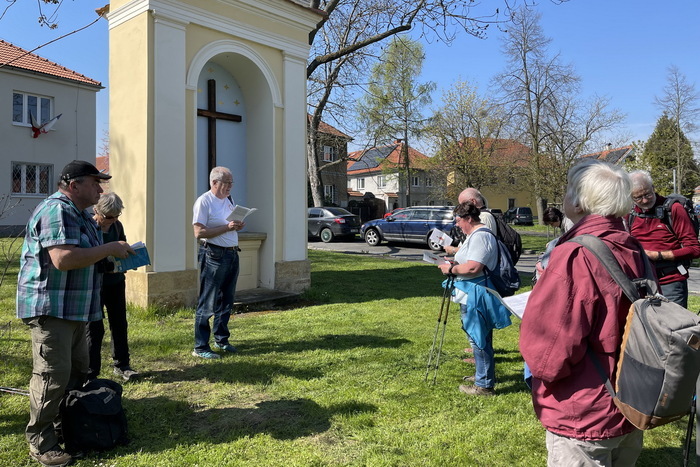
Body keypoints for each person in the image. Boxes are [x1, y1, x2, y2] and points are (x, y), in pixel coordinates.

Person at [520, 159, 648, 465]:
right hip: (631, 398)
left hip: (585, 410)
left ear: (578, 201)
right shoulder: (631, 245)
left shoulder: (575, 254)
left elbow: (548, 356)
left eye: (568, 189)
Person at [16, 160, 135, 467]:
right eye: (95, 183)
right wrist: (109, 248)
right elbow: (64, 259)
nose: (101, 190)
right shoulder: (57, 210)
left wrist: (116, 259)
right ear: (74, 185)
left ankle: (66, 428)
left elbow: (86, 258)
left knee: (77, 372)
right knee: (52, 376)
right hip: (51, 308)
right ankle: (41, 443)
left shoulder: (81, 215)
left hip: (75, 309)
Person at [437, 202, 511, 396]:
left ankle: (484, 385)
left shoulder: (481, 236)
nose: (457, 224)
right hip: (472, 292)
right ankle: (482, 374)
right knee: (478, 337)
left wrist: (451, 269)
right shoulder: (475, 235)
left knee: (479, 338)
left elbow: (473, 267)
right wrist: (454, 263)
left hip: (477, 294)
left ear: (469, 219)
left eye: (458, 220)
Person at [85, 192, 139, 382]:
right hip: (94, 284)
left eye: (116, 216)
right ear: (96, 211)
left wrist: (129, 259)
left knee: (119, 323)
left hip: (115, 282)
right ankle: (91, 372)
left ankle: (122, 365)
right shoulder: (88, 227)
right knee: (94, 328)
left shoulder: (117, 225)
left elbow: (122, 248)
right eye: (108, 217)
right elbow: (86, 256)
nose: (113, 220)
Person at [192, 166, 245, 359]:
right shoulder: (204, 201)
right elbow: (199, 233)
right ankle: (200, 347)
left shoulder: (229, 200)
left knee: (226, 301)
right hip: (213, 255)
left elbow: (229, 225)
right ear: (214, 182)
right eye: (227, 182)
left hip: (232, 253)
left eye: (232, 182)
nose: (230, 186)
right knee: (208, 302)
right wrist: (227, 227)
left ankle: (221, 340)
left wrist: (237, 226)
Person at [627, 170, 700, 308]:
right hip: (641, 282)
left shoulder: (673, 209)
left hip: (671, 282)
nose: (645, 200)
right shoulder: (629, 213)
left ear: (653, 188)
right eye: (638, 197)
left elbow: (694, 249)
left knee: (674, 321)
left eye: (648, 194)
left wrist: (658, 255)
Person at [445, 187, 496, 256]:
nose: (461, 208)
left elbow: (479, 249)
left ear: (473, 201)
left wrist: (453, 250)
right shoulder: (480, 216)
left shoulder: (484, 217)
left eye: (463, 204)